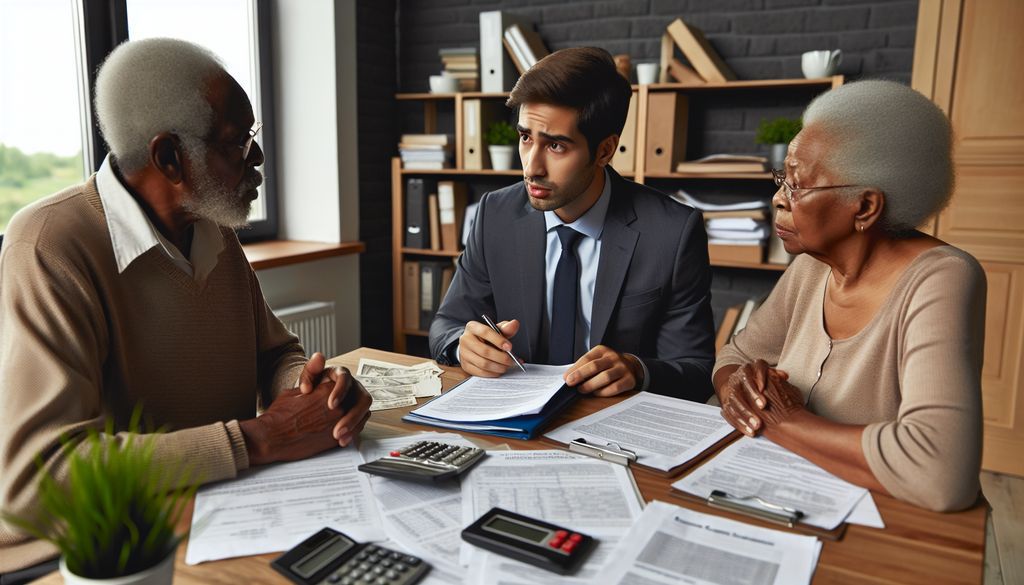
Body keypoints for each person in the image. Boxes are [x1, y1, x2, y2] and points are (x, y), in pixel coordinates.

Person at [0, 38, 372, 577]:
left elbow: (275, 353)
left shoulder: (211, 224)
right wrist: (259, 438)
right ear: (170, 157)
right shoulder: (48, 244)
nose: (259, 158)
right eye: (238, 142)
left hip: (215, 506)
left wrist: (313, 391)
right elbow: (38, 475)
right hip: (91, 556)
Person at [715, 80, 984, 512]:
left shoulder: (942, 278)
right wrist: (743, 391)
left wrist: (783, 421)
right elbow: (734, 356)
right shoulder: (809, 267)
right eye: (782, 178)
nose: (778, 199)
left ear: (864, 207)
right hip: (780, 494)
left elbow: (941, 473)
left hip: (892, 524)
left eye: (797, 186)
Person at [429, 47, 716, 400]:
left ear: (605, 150)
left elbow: (697, 369)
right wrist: (462, 346)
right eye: (525, 138)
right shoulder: (494, 214)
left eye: (556, 146)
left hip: (611, 426)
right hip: (512, 420)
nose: (532, 167)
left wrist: (638, 370)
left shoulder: (672, 233)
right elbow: (446, 324)